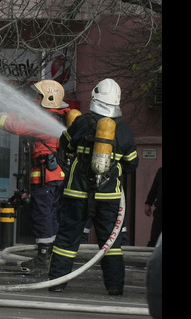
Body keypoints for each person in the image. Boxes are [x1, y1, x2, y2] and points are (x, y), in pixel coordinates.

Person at [48, 78, 138, 295]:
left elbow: (65, 145)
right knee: (111, 244)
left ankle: (57, 283)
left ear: (95, 98)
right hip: (109, 197)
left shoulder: (82, 123)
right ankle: (115, 287)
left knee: (67, 239)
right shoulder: (124, 131)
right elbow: (132, 165)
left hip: (76, 193)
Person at [0, 79, 71, 273]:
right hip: (56, 177)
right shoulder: (55, 117)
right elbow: (23, 118)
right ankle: (53, 257)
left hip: (45, 179)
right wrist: (7, 112)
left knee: (43, 216)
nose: (34, 99)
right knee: (51, 216)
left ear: (48, 99)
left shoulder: (44, 121)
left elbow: (18, 127)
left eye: (38, 96)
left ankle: (43, 259)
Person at [144, 166, 162, 247]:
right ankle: (151, 257)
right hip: (160, 209)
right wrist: (148, 203)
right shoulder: (161, 171)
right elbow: (154, 188)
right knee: (155, 236)